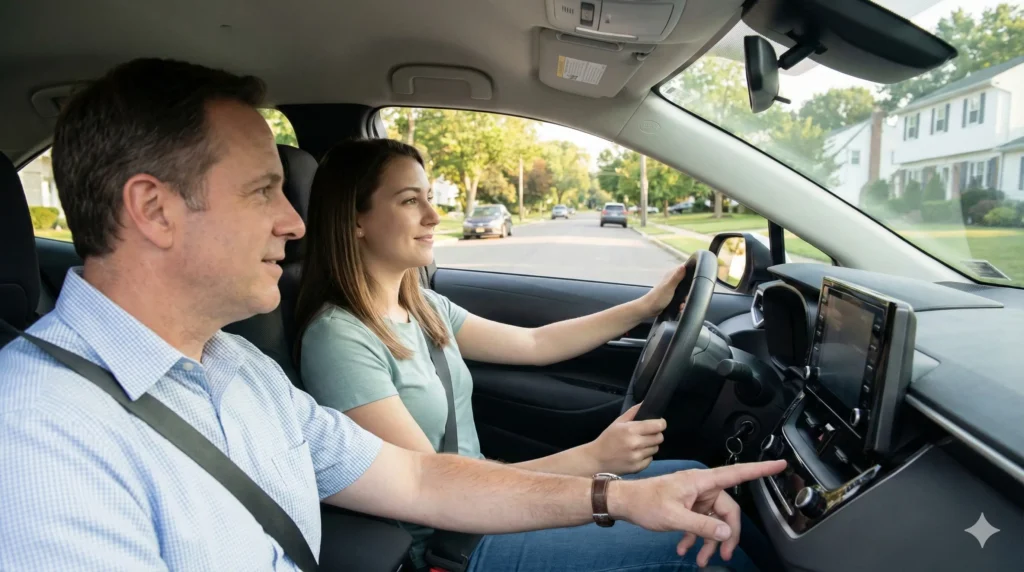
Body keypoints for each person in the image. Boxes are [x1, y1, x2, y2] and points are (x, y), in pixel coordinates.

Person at [0, 58, 785, 571]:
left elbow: (414, 477)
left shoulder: (236, 368)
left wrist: (620, 496)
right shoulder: (35, 433)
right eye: (260, 191)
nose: (294, 222)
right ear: (154, 210)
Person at [294, 138, 771, 571]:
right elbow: (432, 487)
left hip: (486, 503)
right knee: (696, 541)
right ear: (355, 220)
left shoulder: (421, 306)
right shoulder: (339, 340)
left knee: (698, 479)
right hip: (450, 543)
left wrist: (646, 307)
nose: (433, 217)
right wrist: (592, 459)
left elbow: (535, 344)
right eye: (408, 201)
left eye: (430, 199)